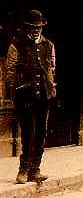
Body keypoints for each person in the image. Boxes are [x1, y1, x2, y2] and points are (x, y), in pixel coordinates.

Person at [5, 10, 56, 184]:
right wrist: (14, 94)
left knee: (41, 132)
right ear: (27, 27)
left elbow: (51, 68)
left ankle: (35, 169)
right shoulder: (16, 46)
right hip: (24, 96)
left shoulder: (48, 45)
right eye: (33, 27)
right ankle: (23, 170)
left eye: (39, 27)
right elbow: (10, 73)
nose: (36, 30)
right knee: (27, 132)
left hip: (43, 96)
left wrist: (50, 87)